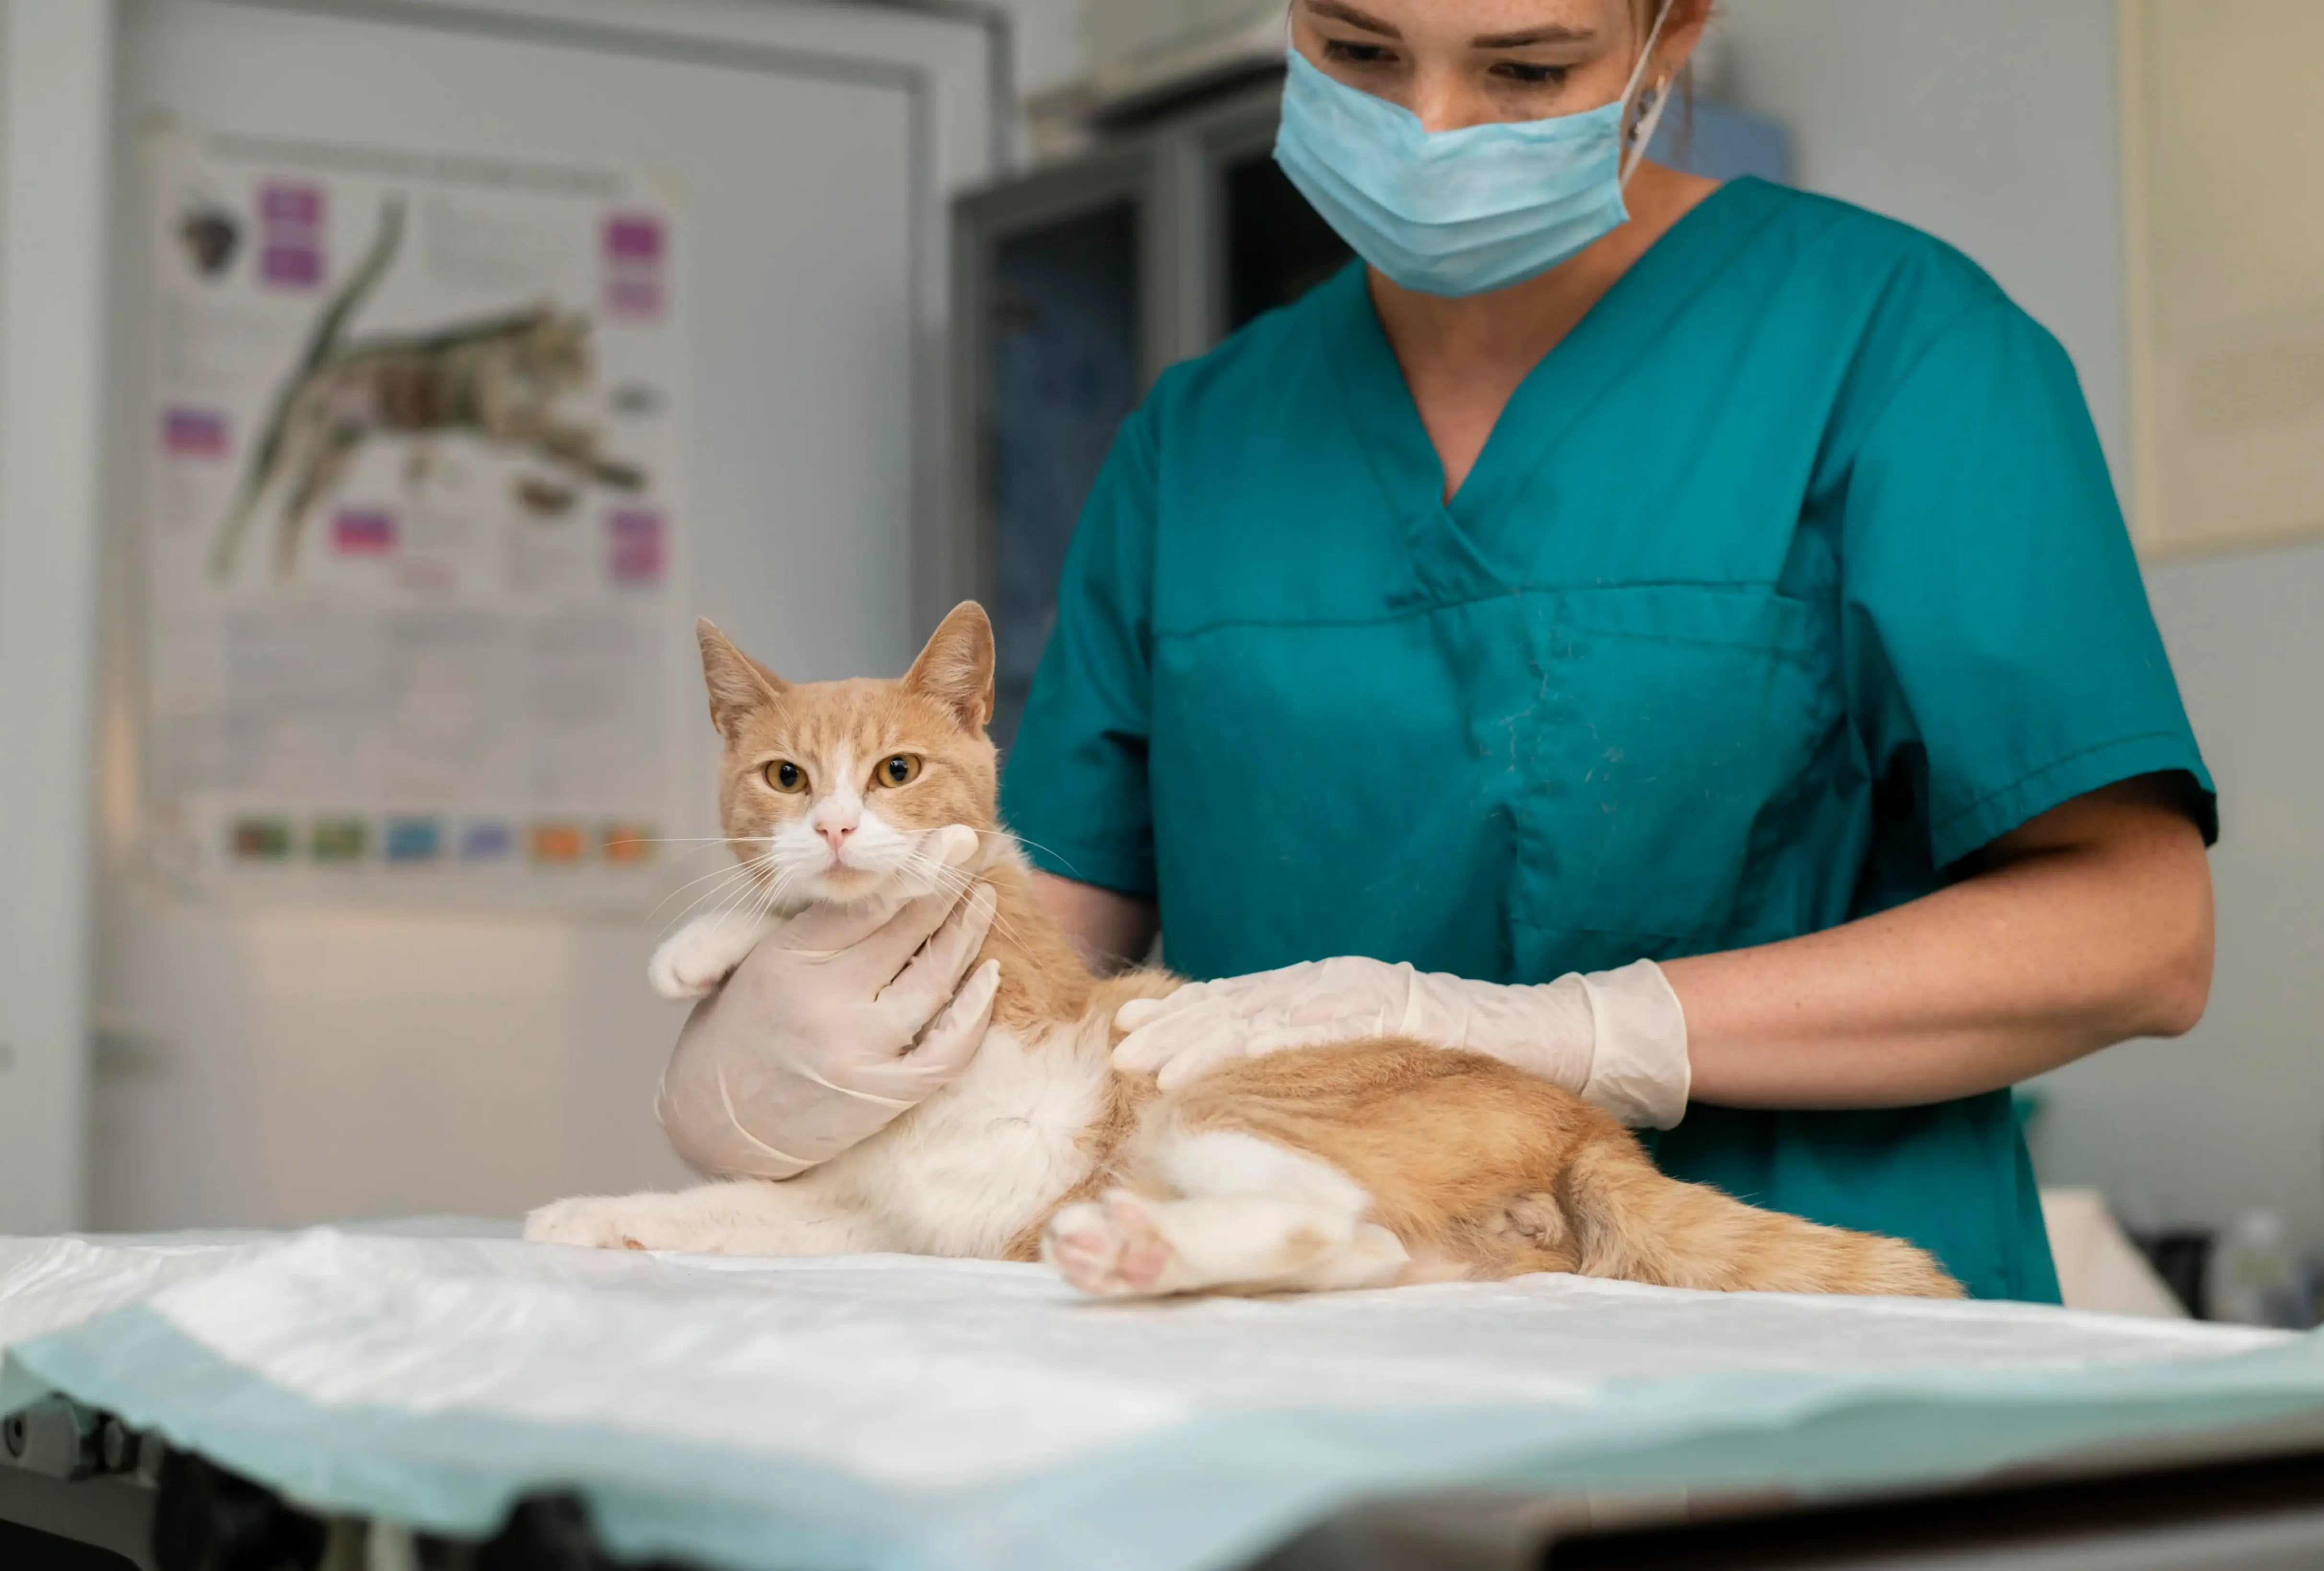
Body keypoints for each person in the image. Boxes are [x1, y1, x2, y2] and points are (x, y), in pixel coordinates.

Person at [662, 0, 2217, 1301]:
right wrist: (789, 1043)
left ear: (1672, 29)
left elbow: (2137, 933)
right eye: (1356, 51)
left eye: (1526, 68)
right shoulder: (1201, 439)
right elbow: (1044, 920)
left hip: (1799, 1343)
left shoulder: (1900, 347)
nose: (1431, 128)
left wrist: (1578, 1033)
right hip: (1293, 1337)